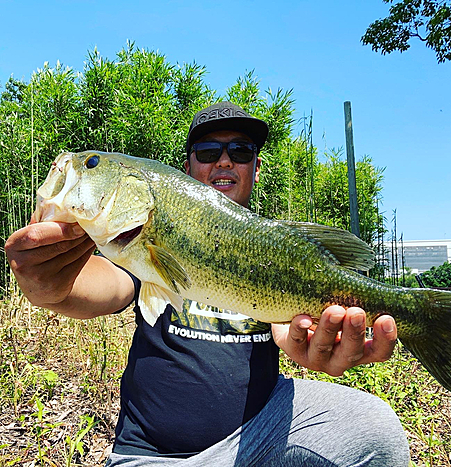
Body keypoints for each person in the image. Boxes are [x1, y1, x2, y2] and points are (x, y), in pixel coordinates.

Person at [5, 102, 410, 466]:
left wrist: (303, 342)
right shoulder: (137, 247)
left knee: (375, 429)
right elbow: (102, 284)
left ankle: (419, 314)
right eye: (207, 152)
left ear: (254, 167)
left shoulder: (275, 246)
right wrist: (51, 286)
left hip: (261, 436)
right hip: (153, 456)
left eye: (240, 151)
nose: (223, 162)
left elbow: (288, 328)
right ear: (188, 169)